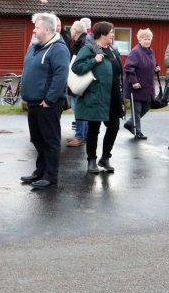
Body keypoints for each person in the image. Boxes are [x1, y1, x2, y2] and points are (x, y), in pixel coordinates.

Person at [19, 13, 69, 189]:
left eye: (37, 27)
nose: (34, 30)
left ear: (47, 29)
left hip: (47, 104)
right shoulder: (34, 46)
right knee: (37, 139)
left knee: (50, 141)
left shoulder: (59, 49)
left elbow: (61, 76)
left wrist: (49, 99)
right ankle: (40, 171)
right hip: (33, 102)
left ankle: (50, 176)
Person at [72, 21, 124, 173]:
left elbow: (118, 71)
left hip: (113, 96)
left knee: (114, 127)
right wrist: (94, 60)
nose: (113, 35)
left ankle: (105, 158)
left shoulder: (113, 50)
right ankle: (91, 161)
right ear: (102, 34)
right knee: (94, 129)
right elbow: (76, 67)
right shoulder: (89, 48)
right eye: (111, 32)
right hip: (96, 95)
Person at [123, 28, 158, 140]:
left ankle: (130, 123)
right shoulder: (136, 51)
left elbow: (152, 64)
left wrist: (156, 68)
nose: (147, 41)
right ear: (139, 39)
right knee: (137, 110)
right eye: (144, 39)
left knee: (147, 107)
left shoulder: (150, 51)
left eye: (148, 38)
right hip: (136, 86)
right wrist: (134, 81)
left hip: (147, 86)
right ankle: (137, 132)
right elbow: (128, 67)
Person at [66, 20, 89, 147]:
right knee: (79, 109)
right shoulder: (83, 41)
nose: (71, 32)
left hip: (80, 80)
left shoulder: (83, 42)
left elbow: (81, 62)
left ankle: (80, 136)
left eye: (72, 29)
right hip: (79, 80)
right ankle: (81, 135)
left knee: (79, 109)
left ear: (75, 30)